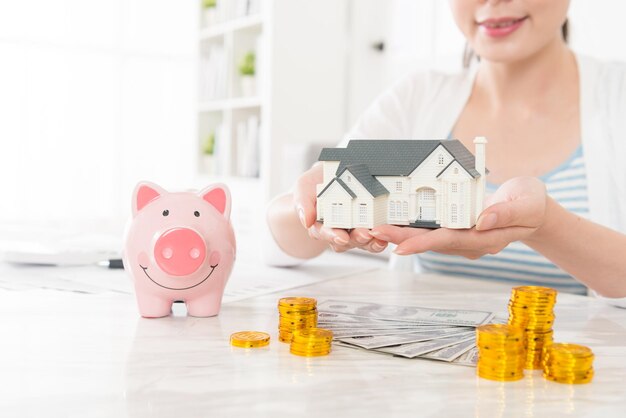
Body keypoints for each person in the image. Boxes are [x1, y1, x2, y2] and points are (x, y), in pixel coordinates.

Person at [265, 0, 626, 305]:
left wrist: (546, 225)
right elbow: (276, 242)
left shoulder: (616, 99)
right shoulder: (416, 98)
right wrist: (314, 202)